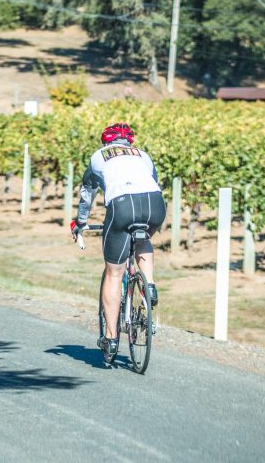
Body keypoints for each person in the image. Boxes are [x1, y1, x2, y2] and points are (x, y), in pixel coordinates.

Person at [70, 123, 165, 360]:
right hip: (155, 205)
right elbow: (153, 182)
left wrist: (81, 223)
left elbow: (87, 194)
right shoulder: (144, 156)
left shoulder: (97, 157)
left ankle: (111, 339)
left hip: (122, 206)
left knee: (114, 273)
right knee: (142, 238)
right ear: (129, 143)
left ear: (106, 142)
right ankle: (149, 285)